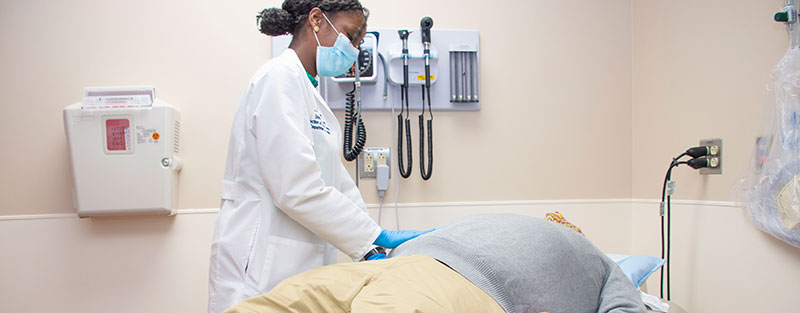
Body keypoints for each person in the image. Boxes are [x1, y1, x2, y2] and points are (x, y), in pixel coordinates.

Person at [207, 1, 430, 312]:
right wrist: (371, 236)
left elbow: (335, 181)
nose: (352, 50)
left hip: (294, 261)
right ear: (316, 20)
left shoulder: (309, 90)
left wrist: (373, 244)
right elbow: (297, 186)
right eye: (350, 37)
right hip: (258, 263)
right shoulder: (278, 78)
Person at [224, 214, 644, 313]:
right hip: (397, 265)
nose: (557, 219)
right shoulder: (514, 219)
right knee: (277, 304)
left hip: (469, 289)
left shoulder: (601, 263)